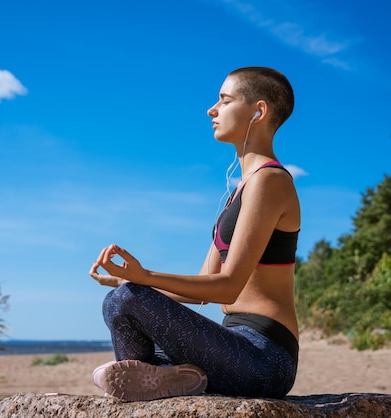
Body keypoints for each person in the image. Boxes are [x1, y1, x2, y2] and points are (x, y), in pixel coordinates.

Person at [89, 66, 300, 402]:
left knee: (128, 299)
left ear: (258, 111)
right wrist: (131, 281)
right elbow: (203, 287)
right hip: (231, 349)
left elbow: (228, 287)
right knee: (122, 299)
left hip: (265, 358)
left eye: (224, 100)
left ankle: (155, 375)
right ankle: (163, 377)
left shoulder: (270, 181)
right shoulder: (239, 192)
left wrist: (145, 277)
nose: (211, 110)